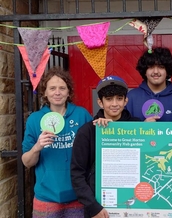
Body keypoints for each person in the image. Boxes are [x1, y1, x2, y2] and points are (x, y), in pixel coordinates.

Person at [21, 67, 93, 217]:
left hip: (78, 196)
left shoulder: (82, 115)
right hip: (46, 198)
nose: (57, 92)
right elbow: (27, 162)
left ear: (69, 91)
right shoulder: (35, 119)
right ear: (45, 93)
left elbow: (96, 150)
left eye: (62, 88)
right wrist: (37, 147)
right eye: (52, 88)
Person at [71, 75, 141, 218]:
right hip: (99, 208)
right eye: (109, 99)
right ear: (100, 102)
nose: (115, 104)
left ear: (125, 100)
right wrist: (93, 207)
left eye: (119, 98)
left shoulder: (138, 126)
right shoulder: (87, 131)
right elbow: (77, 174)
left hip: (135, 205)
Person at [126, 47, 172, 121]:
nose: (156, 72)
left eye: (161, 67)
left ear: (167, 71)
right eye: (151, 67)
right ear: (145, 71)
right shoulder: (131, 97)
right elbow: (121, 128)